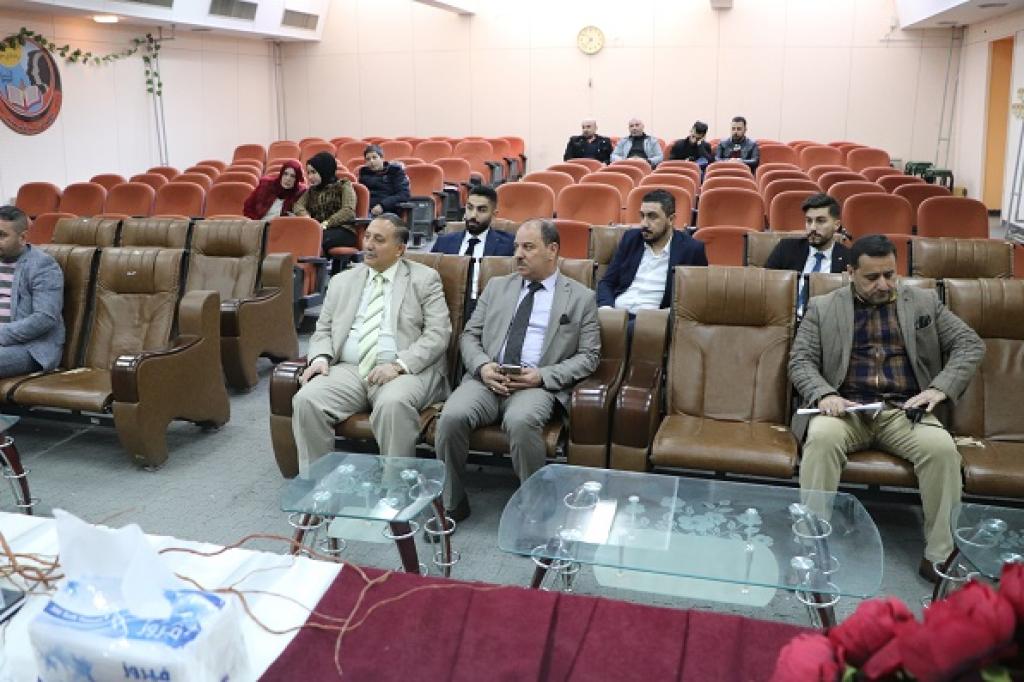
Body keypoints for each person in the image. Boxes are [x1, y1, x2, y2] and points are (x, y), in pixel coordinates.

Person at [789, 234, 984, 584]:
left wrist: (940, 388)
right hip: (846, 411)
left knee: (942, 451)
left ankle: (939, 556)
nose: (883, 284)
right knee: (821, 441)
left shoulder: (924, 302)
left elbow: (969, 344)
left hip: (903, 410)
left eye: (890, 275)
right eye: (872, 277)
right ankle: (812, 548)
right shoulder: (823, 307)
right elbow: (800, 361)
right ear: (850, 273)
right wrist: (824, 394)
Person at [433, 220, 601, 525]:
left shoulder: (580, 297)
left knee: (521, 422)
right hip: (486, 378)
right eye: (516, 247)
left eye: (528, 247)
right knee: (451, 417)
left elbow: (589, 357)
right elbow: (469, 335)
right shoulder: (497, 286)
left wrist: (543, 375)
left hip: (534, 385)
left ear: (552, 250)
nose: (518, 254)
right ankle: (452, 502)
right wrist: (483, 366)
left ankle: (535, 510)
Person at [291, 213, 452, 472]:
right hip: (349, 368)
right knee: (307, 399)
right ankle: (318, 487)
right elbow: (323, 329)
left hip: (404, 370)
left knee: (393, 404)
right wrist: (320, 358)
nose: (369, 245)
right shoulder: (343, 280)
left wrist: (398, 365)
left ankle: (393, 489)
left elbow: (438, 333)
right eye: (367, 237)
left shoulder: (424, 279)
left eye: (379, 240)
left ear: (400, 249)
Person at [597, 189, 707, 320]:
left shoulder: (692, 249)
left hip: (653, 321)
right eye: (642, 216)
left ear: (671, 219)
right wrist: (606, 309)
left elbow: (697, 298)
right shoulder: (631, 239)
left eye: (652, 216)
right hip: (616, 314)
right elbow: (607, 282)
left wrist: (669, 315)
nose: (644, 223)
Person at [764, 193, 852, 317]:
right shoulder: (786, 248)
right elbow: (764, 288)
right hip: (783, 319)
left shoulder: (848, 258)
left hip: (825, 322)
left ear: (836, 225)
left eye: (820, 221)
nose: (812, 228)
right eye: (809, 221)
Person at [0, 206, 63, 378]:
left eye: (2, 235)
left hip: (31, 348)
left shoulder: (43, 265)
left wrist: (2, 334)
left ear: (23, 237)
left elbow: (45, 318)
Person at [431, 185, 515, 309]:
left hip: (489, 307)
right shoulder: (444, 242)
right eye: (470, 208)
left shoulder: (508, 245)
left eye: (482, 210)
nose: (473, 215)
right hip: (447, 306)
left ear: (494, 214)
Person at [294, 151, 358, 251]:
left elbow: (348, 211)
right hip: (318, 230)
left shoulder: (343, 185)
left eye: (314, 172)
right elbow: (298, 205)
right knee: (297, 237)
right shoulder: (312, 190)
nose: (310, 177)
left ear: (324, 170)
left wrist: (326, 223)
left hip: (343, 230)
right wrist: (306, 217)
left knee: (313, 239)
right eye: (309, 173)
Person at [242, 159, 306, 220]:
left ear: (297, 179)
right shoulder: (266, 186)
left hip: (281, 226)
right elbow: (248, 207)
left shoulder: (299, 194)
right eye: (285, 174)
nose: (288, 179)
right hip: (258, 223)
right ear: (281, 174)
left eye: (292, 176)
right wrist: (255, 221)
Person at [358, 145, 411, 218]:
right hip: (367, 212)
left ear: (382, 158)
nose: (371, 161)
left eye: (374, 157)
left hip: (389, 211)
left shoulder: (395, 171)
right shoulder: (364, 174)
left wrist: (382, 205)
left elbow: (403, 195)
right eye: (368, 159)